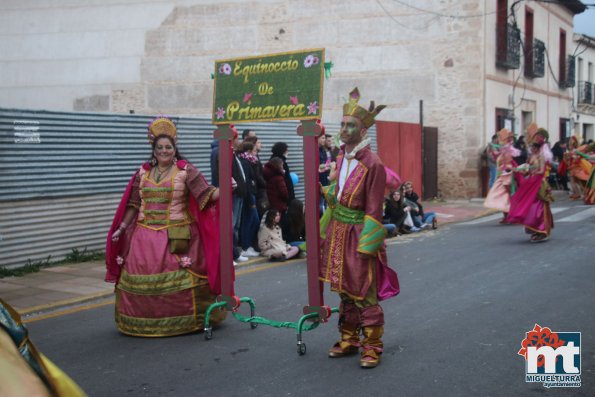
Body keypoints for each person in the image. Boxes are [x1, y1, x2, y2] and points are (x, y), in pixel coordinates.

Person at [105, 116, 227, 336]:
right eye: (159, 147)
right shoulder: (142, 173)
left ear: (174, 148)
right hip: (144, 238)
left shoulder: (186, 171)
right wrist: (122, 228)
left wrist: (227, 187)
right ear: (153, 149)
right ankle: (141, 323)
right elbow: (134, 204)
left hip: (177, 235)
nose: (164, 151)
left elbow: (206, 195)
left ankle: (189, 320)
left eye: (168, 147)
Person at [320, 87, 399, 369]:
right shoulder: (341, 157)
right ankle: (349, 338)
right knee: (343, 290)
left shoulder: (374, 164)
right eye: (342, 124)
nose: (343, 129)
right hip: (338, 231)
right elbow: (341, 193)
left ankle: (373, 346)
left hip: (359, 235)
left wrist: (368, 245)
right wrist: (328, 192)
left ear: (363, 129)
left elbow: (374, 208)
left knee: (364, 291)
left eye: (349, 125)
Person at [507, 127, 554, 242]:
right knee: (530, 206)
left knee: (539, 207)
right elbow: (526, 170)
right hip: (531, 182)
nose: (531, 148)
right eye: (531, 147)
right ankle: (534, 229)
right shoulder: (531, 157)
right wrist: (519, 170)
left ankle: (542, 230)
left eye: (533, 147)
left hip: (539, 184)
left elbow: (541, 171)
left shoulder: (541, 157)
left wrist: (533, 170)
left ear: (537, 148)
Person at [483, 128, 520, 223]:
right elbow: (496, 154)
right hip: (502, 176)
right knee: (502, 197)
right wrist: (492, 148)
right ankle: (506, 216)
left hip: (507, 176)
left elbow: (508, 164)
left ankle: (512, 216)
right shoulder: (502, 152)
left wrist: (505, 170)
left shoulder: (507, 152)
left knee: (509, 197)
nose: (500, 143)